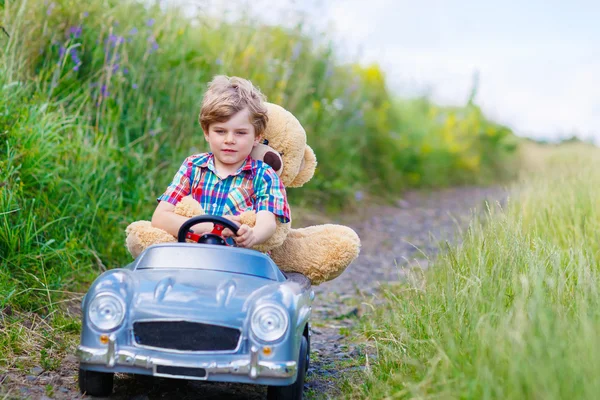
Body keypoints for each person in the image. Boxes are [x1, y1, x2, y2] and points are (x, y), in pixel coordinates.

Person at [151, 75, 290, 248]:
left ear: (257, 137)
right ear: (207, 132)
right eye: (220, 131)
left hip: (238, 261)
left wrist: (252, 235)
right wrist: (213, 227)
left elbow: (267, 222)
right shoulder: (193, 166)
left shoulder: (263, 175)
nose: (229, 140)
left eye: (240, 133)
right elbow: (160, 217)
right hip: (190, 255)